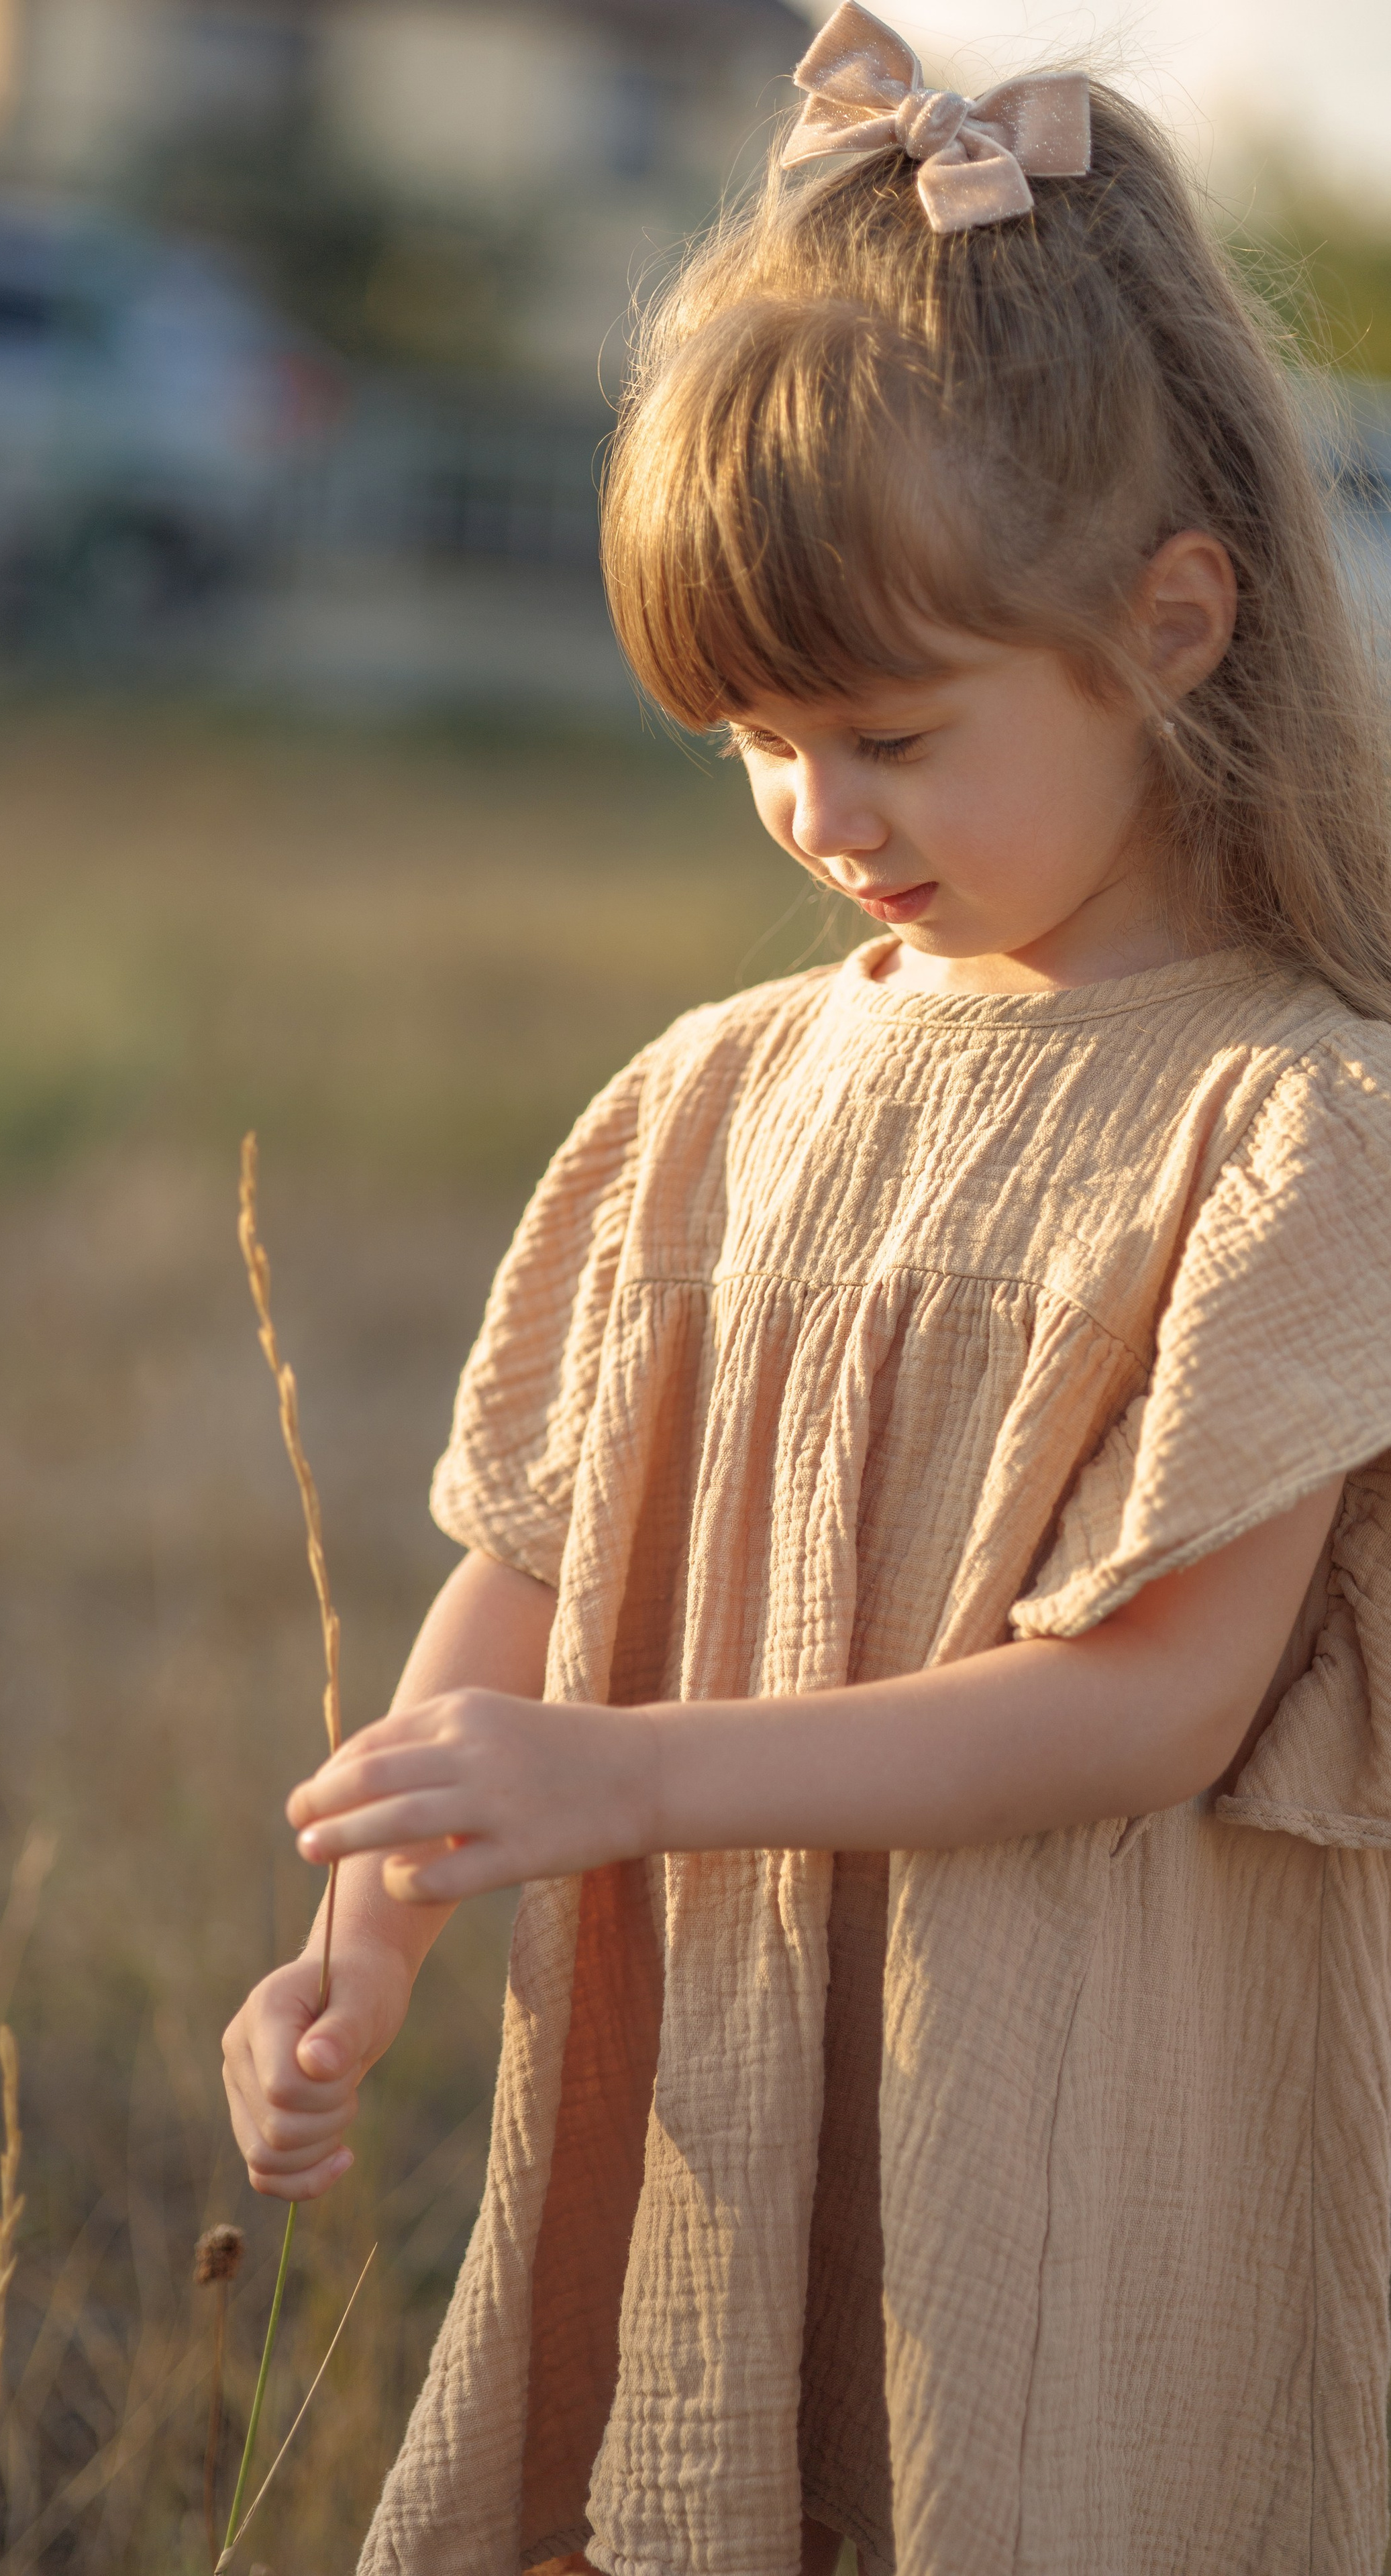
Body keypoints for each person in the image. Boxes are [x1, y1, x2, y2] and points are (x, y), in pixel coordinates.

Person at [221, 10, 1391, 2571]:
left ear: (1174, 625)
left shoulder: (1288, 1128)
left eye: (886, 732)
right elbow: (524, 1574)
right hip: (731, 2068)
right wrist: (370, 1932)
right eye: (752, 738)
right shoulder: (715, 1095)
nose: (813, 813)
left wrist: (634, 1782)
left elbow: (1155, 1702)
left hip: (1069, 2101)